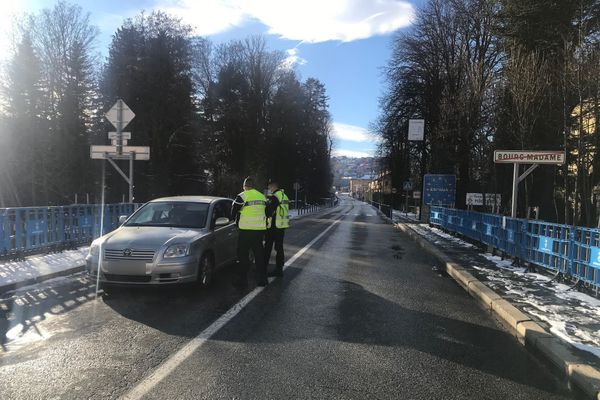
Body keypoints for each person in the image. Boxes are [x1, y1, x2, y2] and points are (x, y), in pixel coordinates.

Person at [231, 177, 268, 288]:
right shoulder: (262, 196)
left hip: (246, 231)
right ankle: (263, 279)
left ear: (245, 186)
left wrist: (236, 221)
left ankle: (243, 281)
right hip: (259, 231)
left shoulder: (242, 196)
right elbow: (268, 211)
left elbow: (233, 212)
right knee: (259, 255)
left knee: (242, 255)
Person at [264, 179, 289, 277]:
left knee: (267, 247)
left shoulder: (275, 197)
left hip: (274, 226)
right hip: (281, 225)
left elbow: (268, 212)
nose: (269, 188)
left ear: (273, 186)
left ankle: (264, 267)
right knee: (279, 248)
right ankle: (279, 269)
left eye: (269, 186)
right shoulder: (284, 195)